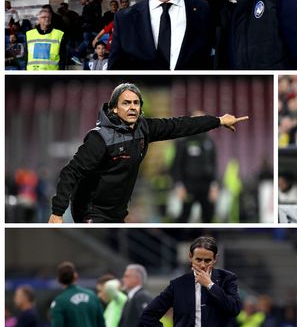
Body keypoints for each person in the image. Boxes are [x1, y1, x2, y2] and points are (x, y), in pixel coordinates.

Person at [49, 82, 248, 223]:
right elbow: (71, 172)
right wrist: (58, 212)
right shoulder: (99, 138)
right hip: (91, 211)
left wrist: (218, 121)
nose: (132, 107)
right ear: (114, 109)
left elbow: (180, 125)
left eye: (136, 103)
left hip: (117, 213)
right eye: (126, 103)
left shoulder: (144, 129)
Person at [141, 236, 243, 327]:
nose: (202, 265)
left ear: (215, 259)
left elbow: (234, 308)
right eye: (198, 259)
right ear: (190, 257)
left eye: (207, 260)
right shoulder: (178, 285)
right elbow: (148, 315)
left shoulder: (227, 279)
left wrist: (210, 285)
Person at [171, 111, 218, 222]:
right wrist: (179, 185)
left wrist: (214, 186)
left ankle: (209, 236)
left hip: (206, 185)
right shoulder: (183, 141)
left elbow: (214, 164)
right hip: (189, 185)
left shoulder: (209, 141)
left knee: (208, 217)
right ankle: (181, 238)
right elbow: (176, 165)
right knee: (185, 215)